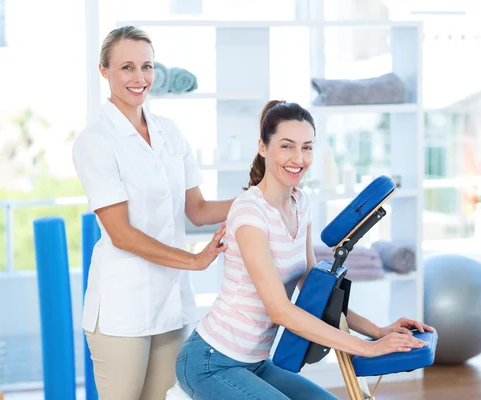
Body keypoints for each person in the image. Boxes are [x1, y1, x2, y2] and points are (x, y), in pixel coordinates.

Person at [174, 100, 435, 400]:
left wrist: (377, 330)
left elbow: (315, 291)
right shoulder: (249, 213)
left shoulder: (301, 203)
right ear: (262, 147)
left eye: (307, 147)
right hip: (211, 362)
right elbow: (280, 310)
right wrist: (366, 348)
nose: (298, 158)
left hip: (256, 363)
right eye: (287, 146)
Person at [72, 26, 234, 400]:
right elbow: (121, 233)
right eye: (126, 67)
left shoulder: (169, 132)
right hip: (121, 308)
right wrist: (193, 261)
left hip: (171, 304)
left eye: (147, 66)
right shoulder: (95, 141)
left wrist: (261, 196)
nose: (139, 77)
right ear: (104, 71)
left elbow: (197, 210)